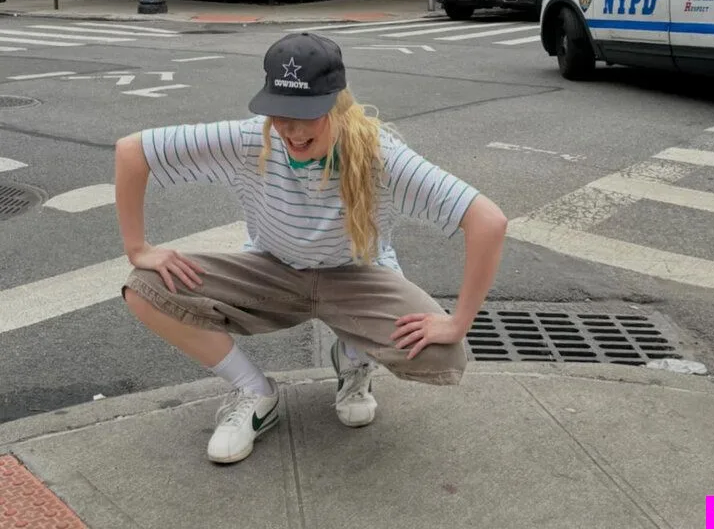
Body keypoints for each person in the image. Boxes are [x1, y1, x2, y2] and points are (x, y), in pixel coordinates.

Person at [114, 31, 508, 465]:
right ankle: (253, 391)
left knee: (441, 353)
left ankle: (354, 357)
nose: (291, 129)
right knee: (145, 287)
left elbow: (487, 220)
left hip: (357, 279)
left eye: (306, 114)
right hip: (274, 271)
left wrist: (458, 322)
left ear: (338, 104)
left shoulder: (380, 154)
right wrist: (138, 248)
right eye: (279, 112)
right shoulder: (250, 139)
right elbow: (132, 151)